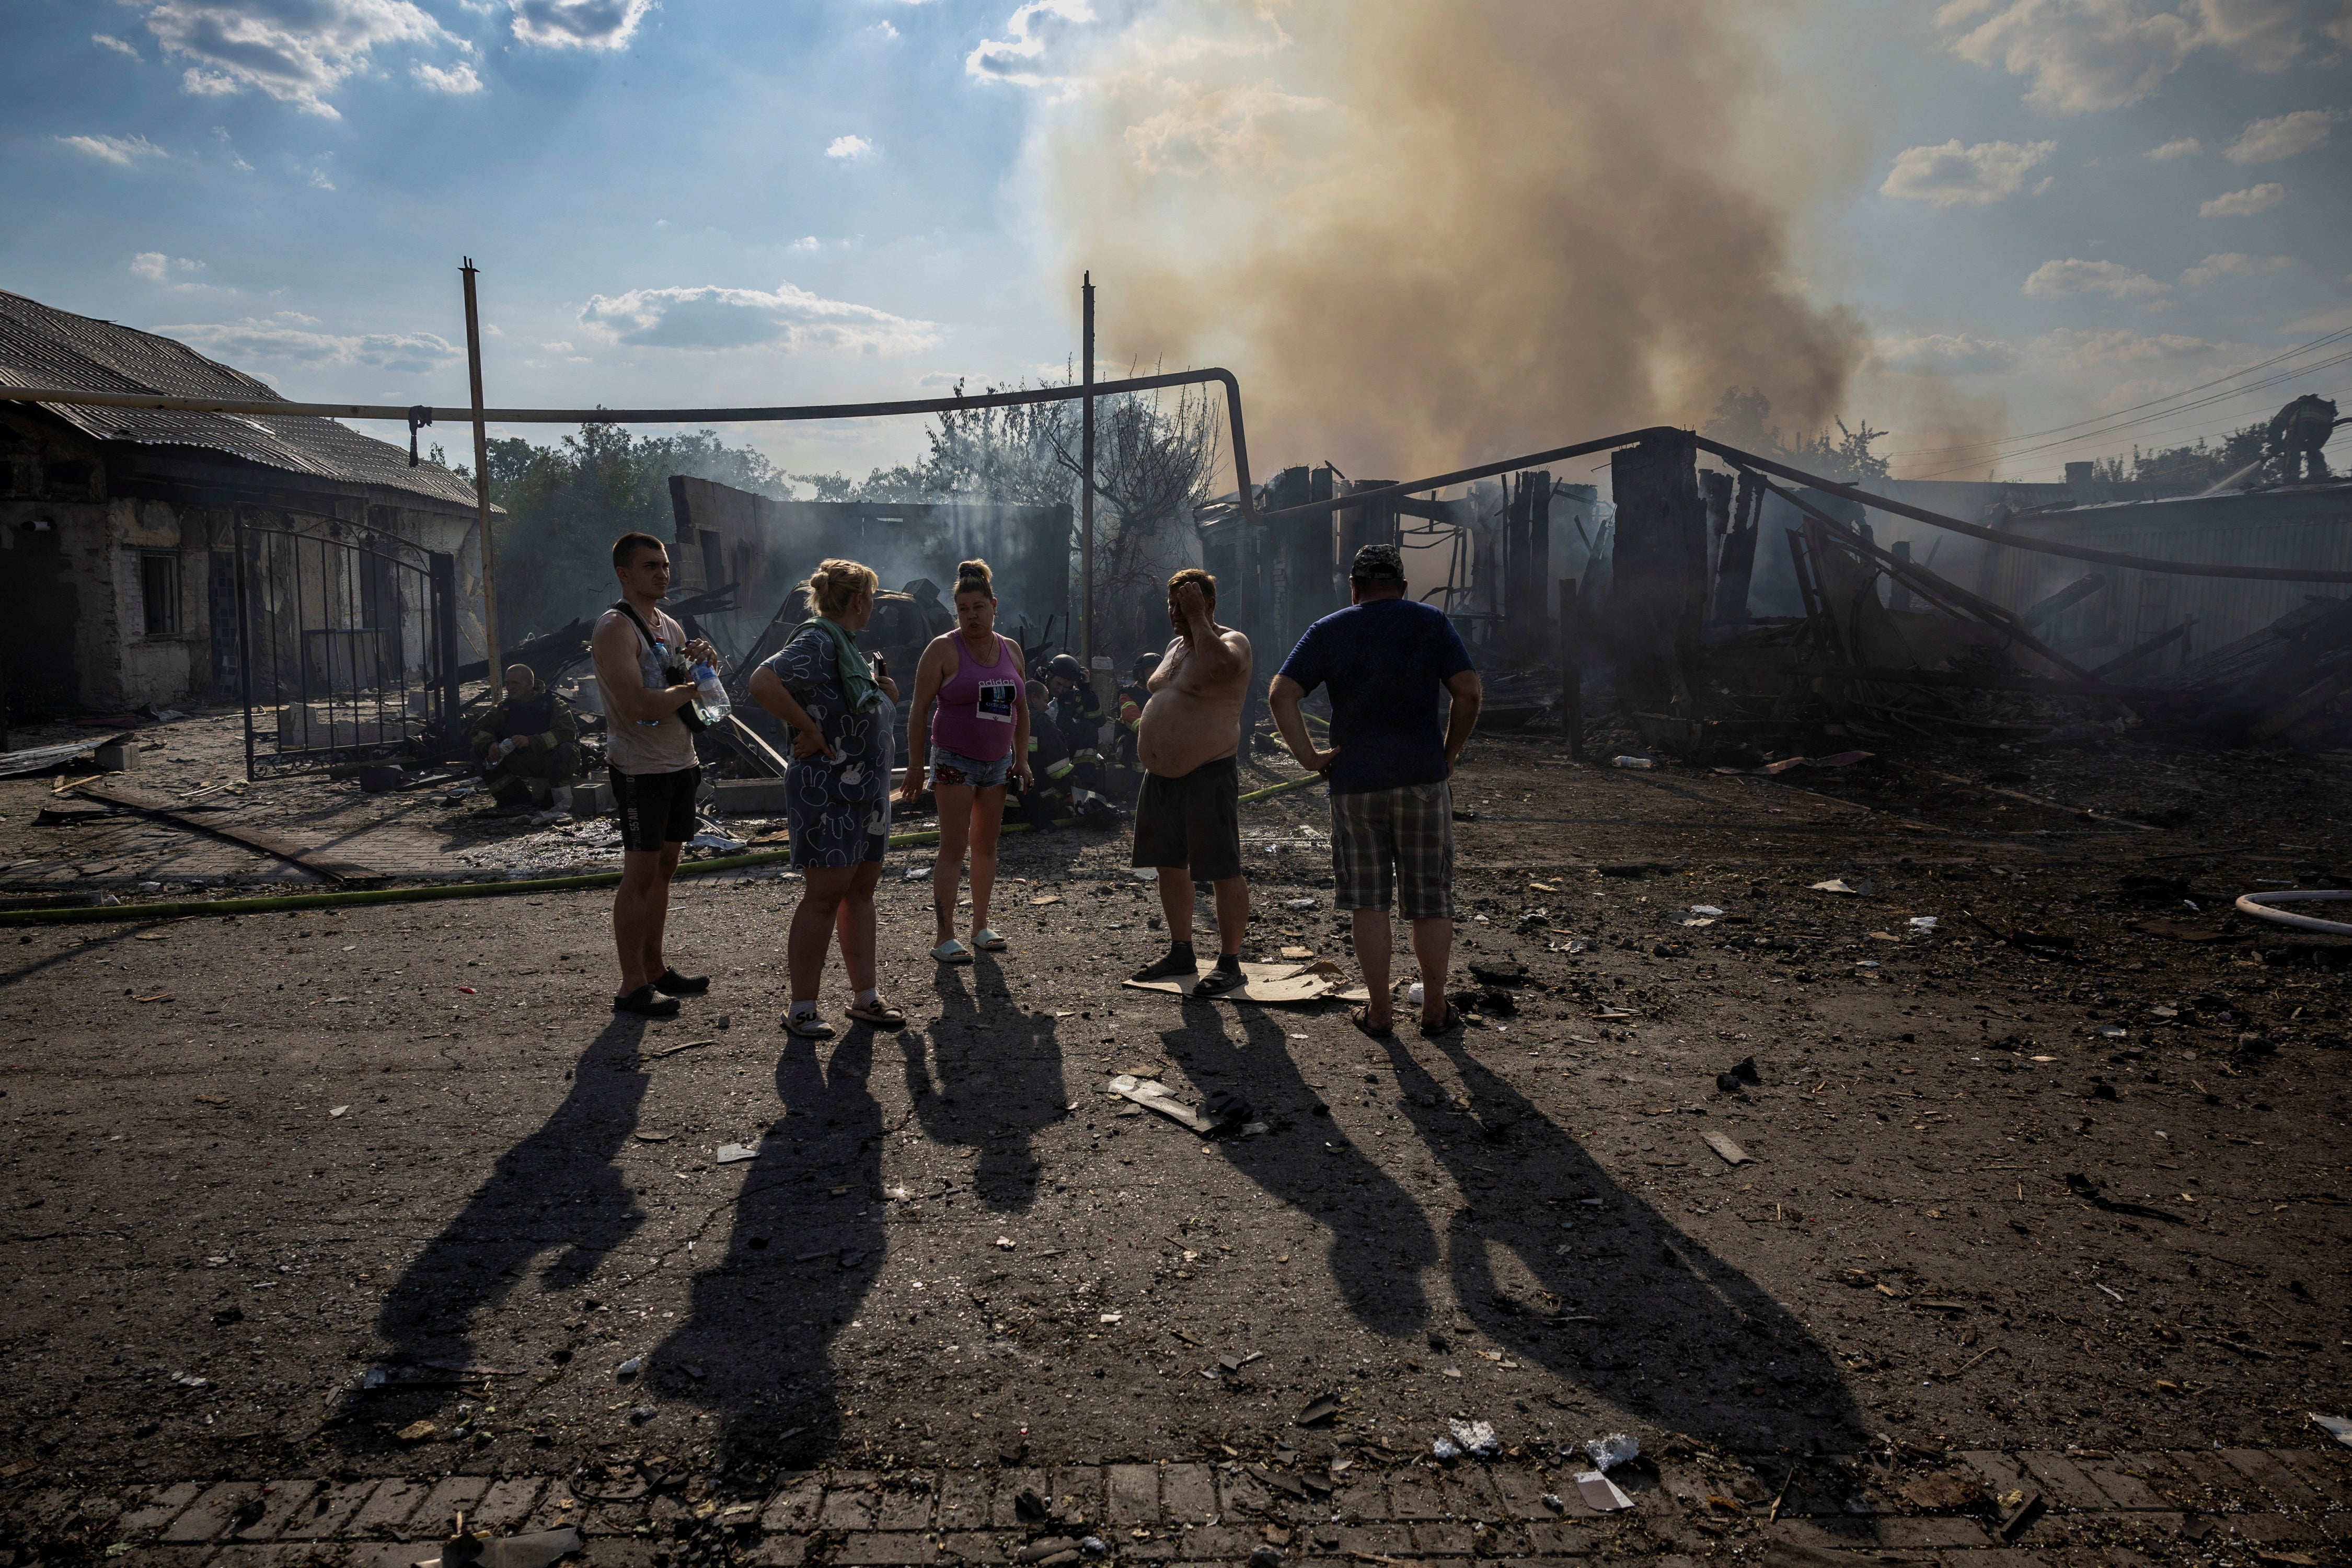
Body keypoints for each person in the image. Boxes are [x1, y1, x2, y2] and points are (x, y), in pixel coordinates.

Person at [1267, 542, 1482, 1037]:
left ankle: (1380, 1012)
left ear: (1354, 587)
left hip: (1355, 783)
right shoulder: (1430, 622)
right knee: (1430, 897)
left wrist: (1310, 757)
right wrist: (1448, 756)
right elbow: (1469, 693)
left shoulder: (1329, 629)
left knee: (1369, 900)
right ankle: (1433, 1008)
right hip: (1422, 780)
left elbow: (1282, 693)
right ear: (1403, 587)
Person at [747, 559, 905, 1039]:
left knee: (859, 892)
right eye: (871, 598)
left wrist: (887, 697)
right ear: (859, 601)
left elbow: (857, 708)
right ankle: (802, 1008)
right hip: (830, 790)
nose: (872, 606)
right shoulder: (817, 641)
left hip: (867, 792)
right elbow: (762, 682)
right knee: (823, 897)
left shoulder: (851, 649)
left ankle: (865, 998)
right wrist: (810, 728)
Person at [590, 531, 719, 1018]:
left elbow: (701, 692)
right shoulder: (615, 628)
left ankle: (656, 968)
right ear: (625, 574)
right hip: (639, 767)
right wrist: (690, 687)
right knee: (640, 875)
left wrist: (704, 662)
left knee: (665, 868)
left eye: (664, 565)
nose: (662, 573)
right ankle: (631, 987)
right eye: (650, 567)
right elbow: (637, 702)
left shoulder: (669, 624)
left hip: (678, 761)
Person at [898, 559, 1032, 964]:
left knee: (986, 846)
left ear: (994, 605)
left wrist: (1022, 760)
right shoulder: (942, 649)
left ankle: (980, 927)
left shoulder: (1010, 649)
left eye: (978, 607)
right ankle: (944, 936)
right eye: (963, 610)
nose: (971, 616)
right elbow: (918, 709)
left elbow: (1022, 710)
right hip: (955, 761)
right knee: (954, 845)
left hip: (997, 763)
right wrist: (916, 766)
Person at [1128, 568, 1253, 996]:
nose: (1175, 614)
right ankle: (1182, 950)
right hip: (1161, 777)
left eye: (1184, 606)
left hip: (1209, 773)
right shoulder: (1174, 647)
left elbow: (1220, 669)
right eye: (1172, 606)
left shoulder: (1233, 642)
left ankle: (1230, 961)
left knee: (1221, 868)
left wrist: (1199, 619)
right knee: (1169, 864)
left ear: (1208, 605)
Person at [470, 663, 579, 811]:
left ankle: (555, 796)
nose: (510, 687)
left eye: (515, 683)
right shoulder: (503, 708)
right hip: (520, 760)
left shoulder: (553, 704)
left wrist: (531, 741)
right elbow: (479, 728)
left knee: (567, 750)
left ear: (529, 684)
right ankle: (513, 796)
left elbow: (566, 732)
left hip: (547, 760)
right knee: (478, 751)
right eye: (507, 683)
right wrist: (491, 745)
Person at [1042, 652, 1106, 805]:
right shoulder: (1035, 690)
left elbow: (1098, 720)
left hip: (1064, 748)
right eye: (1058, 684)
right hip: (1040, 750)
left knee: (1089, 729)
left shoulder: (1074, 697)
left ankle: (1083, 786)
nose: (1062, 690)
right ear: (1049, 675)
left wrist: (1085, 689)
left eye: (1067, 686)